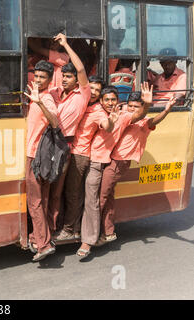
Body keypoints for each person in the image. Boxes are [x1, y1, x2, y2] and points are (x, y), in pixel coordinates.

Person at [77, 83, 152, 260]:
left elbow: (139, 116)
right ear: (101, 101)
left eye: (113, 100)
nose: (110, 103)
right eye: (107, 100)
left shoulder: (124, 115)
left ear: (118, 101)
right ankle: (105, 231)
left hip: (100, 161)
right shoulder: (96, 110)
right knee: (92, 196)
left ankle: (88, 240)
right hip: (87, 158)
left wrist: (147, 104)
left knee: (96, 199)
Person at [96, 91, 178, 247]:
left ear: (142, 108)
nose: (132, 109)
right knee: (108, 197)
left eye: (136, 107)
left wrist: (166, 110)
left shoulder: (144, 121)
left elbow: (155, 120)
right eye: (130, 106)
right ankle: (108, 232)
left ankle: (93, 232)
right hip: (110, 159)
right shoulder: (123, 116)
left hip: (119, 162)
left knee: (101, 197)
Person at [55, 76, 116, 241]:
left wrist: (111, 122)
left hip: (80, 155)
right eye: (92, 88)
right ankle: (75, 229)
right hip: (69, 151)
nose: (94, 92)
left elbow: (106, 125)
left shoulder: (98, 111)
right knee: (72, 193)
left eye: (98, 89)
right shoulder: (82, 103)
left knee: (72, 193)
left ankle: (69, 230)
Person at [47, 33, 91, 235]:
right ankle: (50, 227)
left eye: (69, 77)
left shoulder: (82, 94)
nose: (65, 80)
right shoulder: (56, 92)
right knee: (48, 189)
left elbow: (80, 68)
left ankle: (62, 228)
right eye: (64, 76)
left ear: (77, 80)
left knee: (59, 191)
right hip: (49, 143)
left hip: (66, 146)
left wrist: (65, 45)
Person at [23, 60, 59, 262]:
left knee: (35, 202)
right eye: (36, 76)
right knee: (42, 200)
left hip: (36, 156)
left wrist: (39, 102)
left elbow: (54, 122)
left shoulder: (46, 99)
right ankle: (39, 239)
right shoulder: (38, 95)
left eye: (42, 77)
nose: (37, 80)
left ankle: (43, 245)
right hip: (39, 156)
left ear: (50, 79)